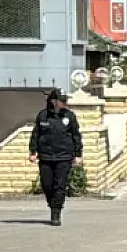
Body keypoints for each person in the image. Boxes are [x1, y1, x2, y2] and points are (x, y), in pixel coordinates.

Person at [28, 88, 83, 226]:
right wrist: (32, 151)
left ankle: (56, 212)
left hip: (64, 156)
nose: (65, 103)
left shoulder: (69, 116)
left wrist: (78, 154)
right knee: (47, 184)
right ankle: (52, 203)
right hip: (46, 156)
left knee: (60, 185)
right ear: (53, 101)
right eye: (62, 101)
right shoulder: (43, 116)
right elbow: (36, 134)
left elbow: (76, 135)